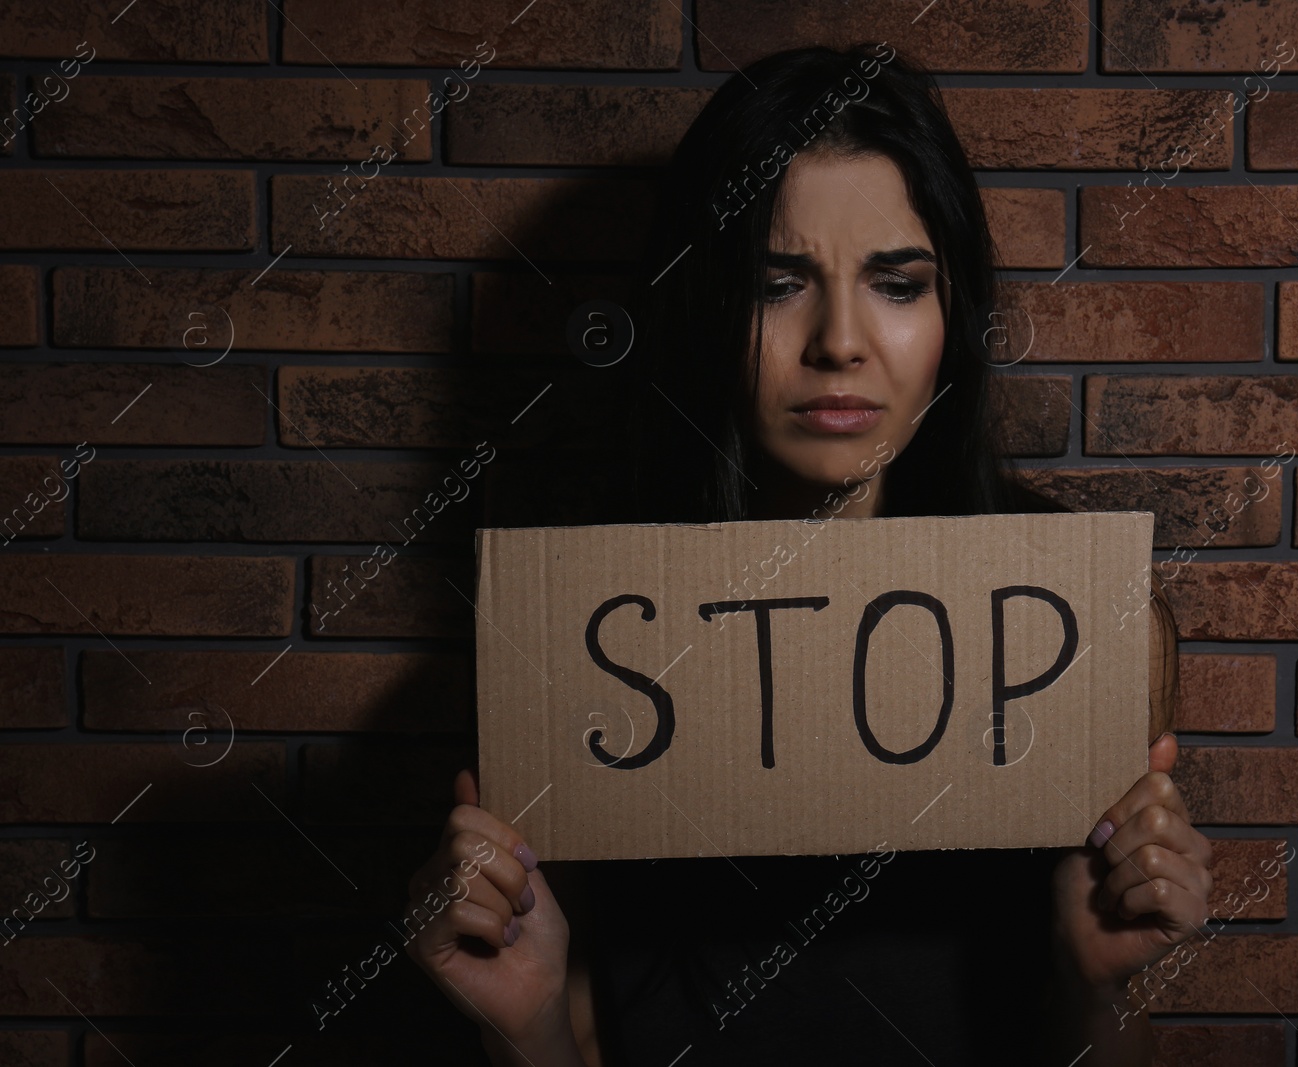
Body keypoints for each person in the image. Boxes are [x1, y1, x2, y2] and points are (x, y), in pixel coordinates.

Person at [404, 42, 1212, 1066]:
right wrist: (522, 1024)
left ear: (951, 312)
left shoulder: (1073, 617)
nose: (839, 340)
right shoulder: (579, 636)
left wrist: (1099, 988)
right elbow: (577, 1028)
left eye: (896, 283)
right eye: (779, 282)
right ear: (706, 305)